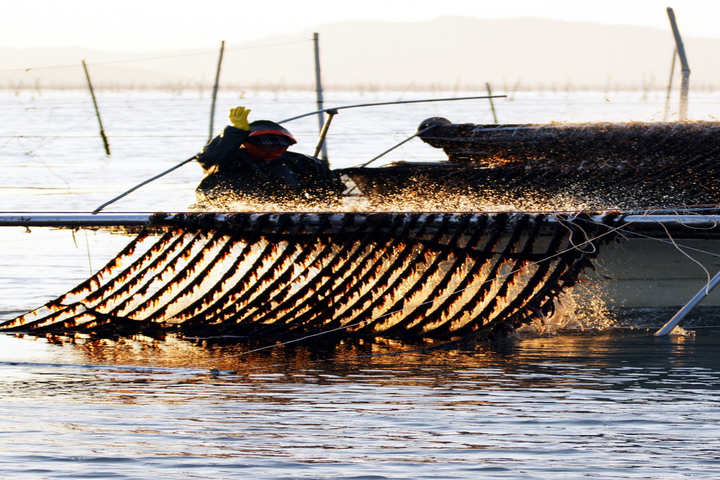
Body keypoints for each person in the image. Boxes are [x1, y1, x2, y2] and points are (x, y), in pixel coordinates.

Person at [194, 106, 346, 208]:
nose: (270, 147)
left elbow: (328, 191)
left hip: (283, 220)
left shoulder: (299, 162)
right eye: (263, 143)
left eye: (276, 144)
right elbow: (210, 156)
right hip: (224, 216)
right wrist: (234, 132)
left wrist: (317, 211)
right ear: (246, 142)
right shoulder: (227, 159)